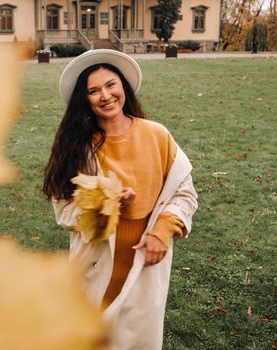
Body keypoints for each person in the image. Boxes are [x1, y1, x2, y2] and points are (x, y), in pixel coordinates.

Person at [43, 49, 198, 350]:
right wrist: (107, 202)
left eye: (111, 84)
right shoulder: (78, 147)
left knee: (138, 337)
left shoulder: (157, 135)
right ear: (83, 99)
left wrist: (162, 231)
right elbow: (64, 212)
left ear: (123, 86)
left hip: (146, 259)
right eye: (93, 90)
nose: (105, 95)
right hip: (96, 262)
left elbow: (185, 191)